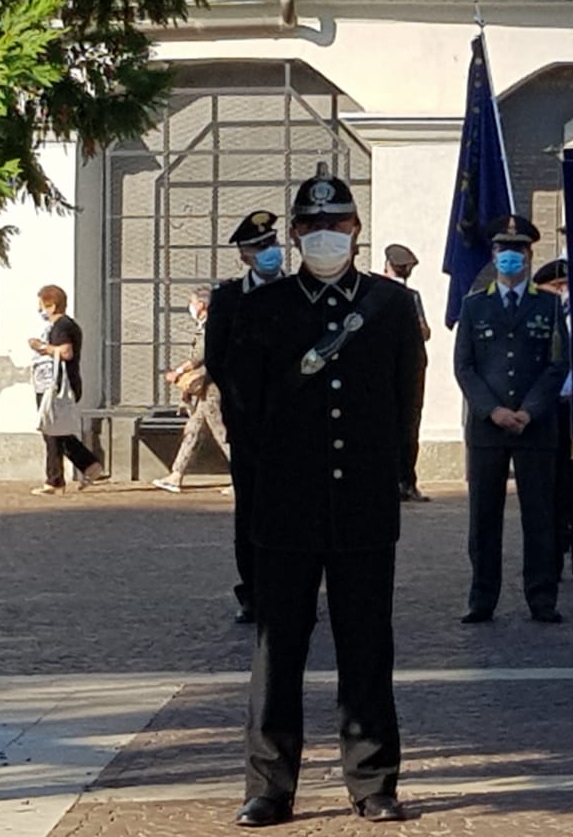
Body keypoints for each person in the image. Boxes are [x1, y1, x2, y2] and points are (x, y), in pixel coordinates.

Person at [231, 165, 424, 827]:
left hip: (363, 506)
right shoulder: (262, 310)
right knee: (277, 649)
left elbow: (405, 400)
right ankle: (269, 785)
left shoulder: (391, 306)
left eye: (336, 222)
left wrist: (397, 474)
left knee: (366, 647)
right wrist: (260, 491)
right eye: (311, 224)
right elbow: (246, 413)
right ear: (293, 233)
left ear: (357, 229)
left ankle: (374, 782)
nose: (324, 233)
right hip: (285, 506)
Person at [453, 215, 570, 624]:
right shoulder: (474, 305)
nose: (510, 256)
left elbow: (558, 364)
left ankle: (542, 597)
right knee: (484, 518)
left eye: (518, 249)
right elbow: (465, 367)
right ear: (493, 254)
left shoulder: (549, 305)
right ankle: (482, 597)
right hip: (488, 427)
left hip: (534, 425)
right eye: (504, 249)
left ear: (530, 254)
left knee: (540, 517)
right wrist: (494, 410)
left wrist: (529, 410)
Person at [203, 208, 287, 625]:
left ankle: (292, 588)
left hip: (294, 425)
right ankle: (252, 591)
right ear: (244, 256)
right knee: (251, 510)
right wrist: (244, 404)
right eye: (258, 247)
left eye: (271, 243)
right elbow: (216, 359)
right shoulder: (228, 298)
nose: (268, 252)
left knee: (294, 509)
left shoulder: (297, 292)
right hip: (248, 424)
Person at [532, 257, 573, 584]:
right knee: (550, 487)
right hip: (549, 408)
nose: (563, 292)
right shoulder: (537, 317)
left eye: (566, 286)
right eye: (556, 287)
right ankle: (552, 557)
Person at [28, 285, 105, 495]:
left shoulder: (62, 326)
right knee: (57, 431)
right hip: (55, 384)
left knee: (51, 431)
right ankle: (89, 465)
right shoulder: (63, 326)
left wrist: (40, 347)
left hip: (58, 386)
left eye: (42, 306)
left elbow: (66, 352)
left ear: (52, 306)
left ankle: (55, 481)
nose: (39, 310)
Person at [152, 286, 229, 493]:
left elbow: (199, 356)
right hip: (207, 387)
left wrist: (178, 372)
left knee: (222, 432)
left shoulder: (211, 326)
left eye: (192, 302)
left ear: (201, 305)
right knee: (193, 430)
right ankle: (176, 475)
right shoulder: (209, 325)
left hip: (213, 387)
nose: (190, 306)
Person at [381, 244, 432, 503]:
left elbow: (425, 331)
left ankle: (407, 481)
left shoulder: (411, 296)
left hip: (411, 368)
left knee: (410, 426)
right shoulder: (378, 294)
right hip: (384, 368)